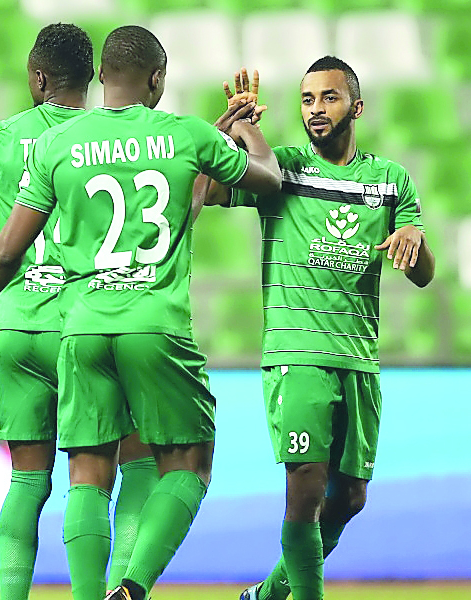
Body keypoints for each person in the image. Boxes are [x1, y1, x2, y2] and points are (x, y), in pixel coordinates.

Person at [0, 25, 282, 600]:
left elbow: (2, 248)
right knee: (185, 464)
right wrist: (243, 128)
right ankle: (129, 587)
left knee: (85, 473)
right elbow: (266, 183)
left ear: (102, 78)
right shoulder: (186, 135)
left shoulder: (60, 143)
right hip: (153, 324)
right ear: (158, 79)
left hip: (81, 326)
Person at [196, 58, 434, 600]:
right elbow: (203, 190)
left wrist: (415, 241)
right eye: (306, 100)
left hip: (359, 358)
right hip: (297, 352)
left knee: (349, 497)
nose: (315, 110)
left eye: (328, 98)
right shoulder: (278, 170)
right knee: (304, 491)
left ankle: (269, 594)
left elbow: (423, 274)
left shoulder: (390, 181)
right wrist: (225, 126)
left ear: (357, 106)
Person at [0, 22, 157, 599]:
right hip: (90, 325)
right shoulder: (108, 137)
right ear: (91, 79)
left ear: (37, 77)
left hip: (18, 325)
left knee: (27, 479)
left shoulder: (2, 137)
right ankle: (111, 590)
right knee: (121, 466)